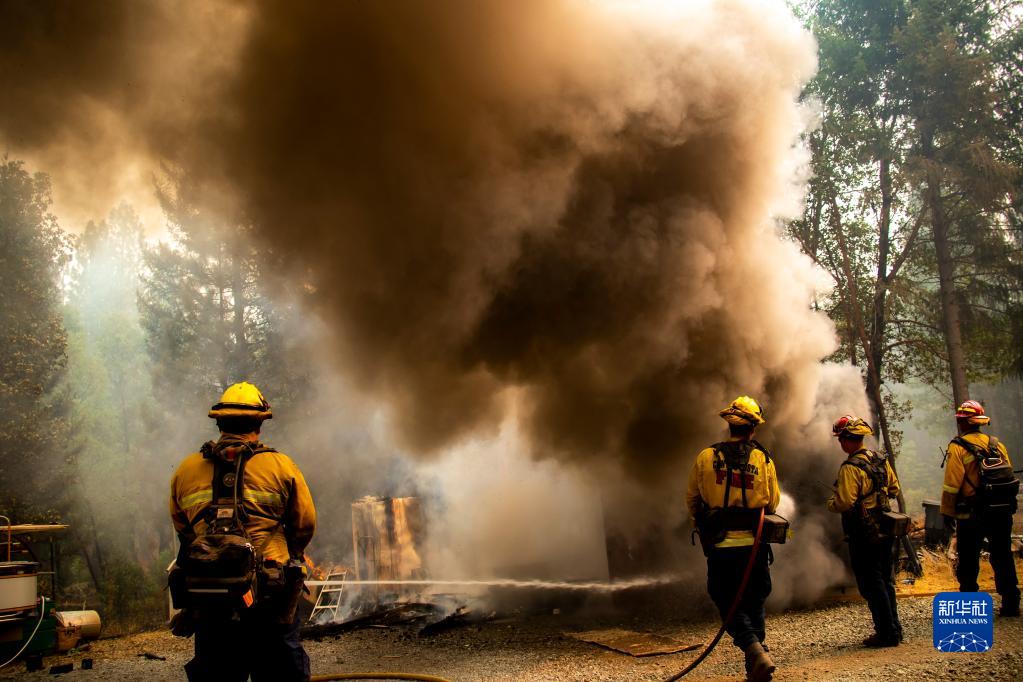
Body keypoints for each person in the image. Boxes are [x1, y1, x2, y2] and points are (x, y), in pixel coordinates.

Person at [170, 382, 317, 681]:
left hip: (211, 601)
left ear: (219, 422)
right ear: (259, 423)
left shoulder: (185, 471)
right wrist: (292, 553)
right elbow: (304, 524)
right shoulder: (280, 466)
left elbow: (184, 532)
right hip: (270, 598)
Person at [687, 396, 779, 682]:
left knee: (725, 598)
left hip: (721, 544)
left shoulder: (706, 457)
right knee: (754, 599)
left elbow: (693, 499)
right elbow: (772, 503)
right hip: (755, 544)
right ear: (753, 428)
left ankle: (753, 650)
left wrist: (703, 522)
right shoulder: (763, 458)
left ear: (730, 425)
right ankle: (757, 657)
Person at [826, 415, 902, 647]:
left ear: (849, 439)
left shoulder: (850, 468)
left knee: (871, 583)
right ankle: (895, 629)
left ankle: (886, 633)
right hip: (886, 527)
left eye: (841, 439)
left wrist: (831, 503)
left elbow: (844, 502)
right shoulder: (880, 460)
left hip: (863, 532)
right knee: (886, 580)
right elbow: (894, 489)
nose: (840, 443)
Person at [941, 399, 1019, 616]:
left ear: (963, 422)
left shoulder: (958, 447)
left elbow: (952, 484)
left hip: (971, 514)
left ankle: (969, 604)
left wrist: (947, 512)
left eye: (960, 420)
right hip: (1001, 511)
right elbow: (1007, 475)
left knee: (968, 559)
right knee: (1002, 556)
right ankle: (1011, 602)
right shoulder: (997, 445)